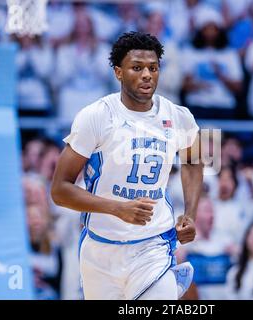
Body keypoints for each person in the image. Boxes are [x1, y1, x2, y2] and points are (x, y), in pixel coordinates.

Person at [51, 32, 203, 300]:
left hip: (153, 246)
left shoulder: (181, 116)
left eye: (153, 68)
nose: (147, 75)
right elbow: (59, 190)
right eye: (137, 68)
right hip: (101, 250)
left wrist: (190, 213)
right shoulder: (95, 116)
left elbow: (194, 160)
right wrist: (117, 208)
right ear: (118, 72)